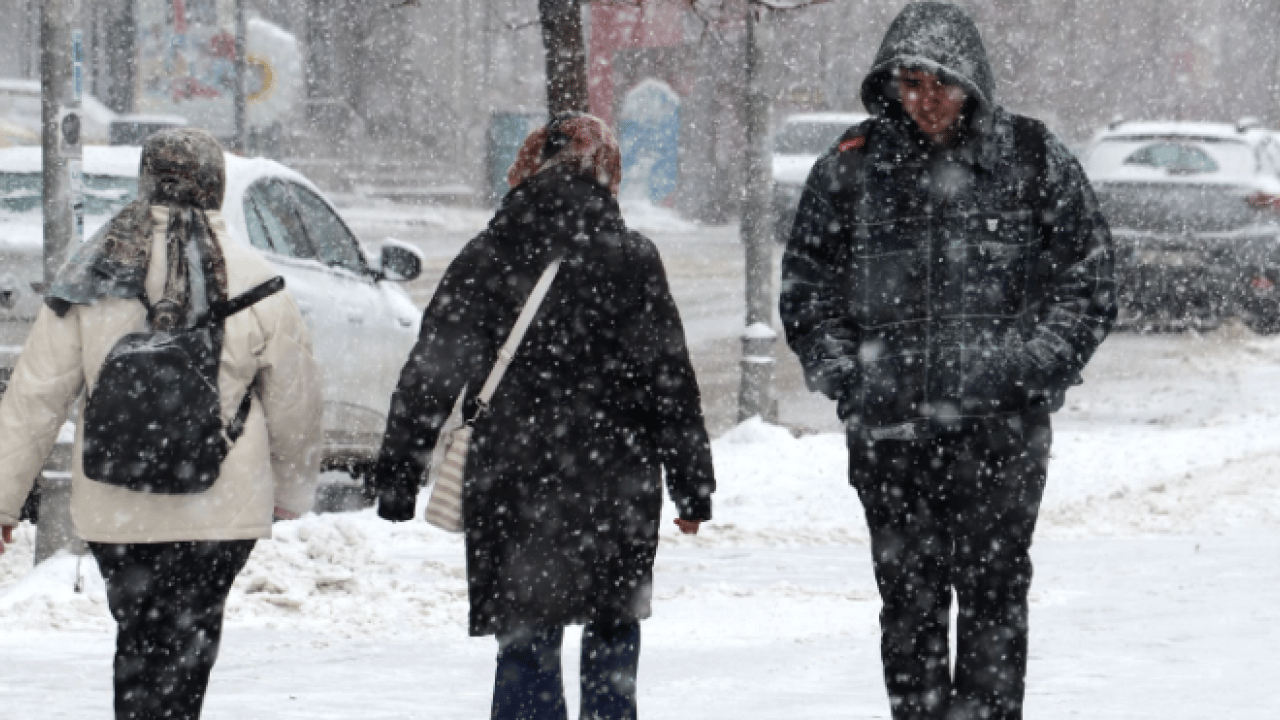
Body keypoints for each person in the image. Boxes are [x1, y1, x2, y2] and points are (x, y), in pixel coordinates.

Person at [779, 4, 1116, 720]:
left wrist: (1028, 368)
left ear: (973, 82)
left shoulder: (1030, 156)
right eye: (909, 82)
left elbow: (1088, 282)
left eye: (940, 83)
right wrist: (852, 378)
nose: (924, 99)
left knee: (995, 603)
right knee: (909, 609)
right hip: (891, 437)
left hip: (1002, 438)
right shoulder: (852, 167)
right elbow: (808, 292)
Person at [373, 112, 715, 720]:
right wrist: (693, 487)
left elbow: (431, 371)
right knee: (612, 634)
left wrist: (399, 475)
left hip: (513, 478)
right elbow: (671, 384)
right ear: (609, 172)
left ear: (530, 166)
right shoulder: (633, 258)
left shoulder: (487, 254)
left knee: (526, 635)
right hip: (616, 482)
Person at [0, 128, 323, 720]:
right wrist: (293, 489)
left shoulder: (89, 276)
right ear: (217, 188)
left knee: (139, 641)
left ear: (144, 182)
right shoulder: (257, 278)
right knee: (191, 643)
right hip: (221, 505)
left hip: (115, 502)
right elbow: (296, 399)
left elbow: (36, 394)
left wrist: (3, 500)